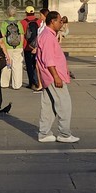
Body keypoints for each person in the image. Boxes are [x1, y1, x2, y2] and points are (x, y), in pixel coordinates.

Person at [34, 9, 78, 143]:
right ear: (52, 22)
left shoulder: (48, 34)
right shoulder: (47, 36)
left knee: (48, 104)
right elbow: (49, 59)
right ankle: (64, 134)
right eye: (60, 21)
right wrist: (57, 76)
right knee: (64, 104)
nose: (62, 24)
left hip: (49, 76)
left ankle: (44, 133)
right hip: (53, 76)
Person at [23, 6, 43, 87]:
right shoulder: (39, 21)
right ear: (34, 12)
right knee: (36, 65)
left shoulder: (23, 22)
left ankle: (31, 82)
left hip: (27, 46)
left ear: (26, 12)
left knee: (29, 65)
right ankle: (38, 81)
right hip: (37, 46)